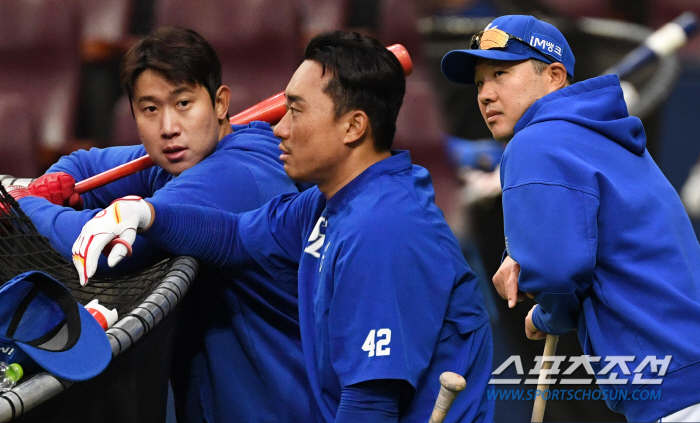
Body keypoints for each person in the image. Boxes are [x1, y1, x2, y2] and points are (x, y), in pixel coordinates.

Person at [72, 31, 494, 423]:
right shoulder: (331, 201)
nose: (279, 128)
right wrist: (146, 216)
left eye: (296, 110)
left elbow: (370, 405)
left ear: (353, 126)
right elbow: (233, 236)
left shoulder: (383, 231)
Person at [7, 27, 311, 423]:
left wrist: (25, 207)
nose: (168, 126)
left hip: (275, 406)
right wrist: (57, 182)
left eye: (184, 103)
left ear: (220, 104)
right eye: (150, 109)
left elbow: (104, 247)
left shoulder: (241, 173)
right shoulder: (181, 157)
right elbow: (85, 163)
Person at [440, 14, 700, 422]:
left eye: (501, 73)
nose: (486, 94)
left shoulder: (535, 141)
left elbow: (558, 276)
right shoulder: (600, 135)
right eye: (479, 82)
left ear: (555, 75)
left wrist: (545, 311)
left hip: (674, 386)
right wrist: (527, 257)